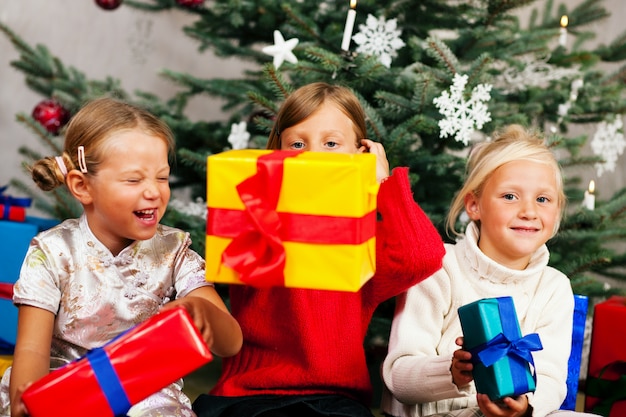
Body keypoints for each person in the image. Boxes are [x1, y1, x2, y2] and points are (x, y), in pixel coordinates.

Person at [192, 81, 446, 417]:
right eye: (298, 143)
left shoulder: (364, 239)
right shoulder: (256, 217)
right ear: (277, 153)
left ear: (361, 153)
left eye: (331, 143)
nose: (312, 155)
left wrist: (384, 183)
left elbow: (420, 257)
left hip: (334, 399)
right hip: (249, 393)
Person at [0, 97, 243, 417]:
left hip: (147, 394)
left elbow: (231, 344)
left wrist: (202, 311)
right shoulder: (52, 251)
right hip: (65, 386)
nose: (154, 192)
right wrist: (30, 399)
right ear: (82, 187)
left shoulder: (174, 251)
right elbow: (32, 349)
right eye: (134, 179)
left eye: (161, 177)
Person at [380, 125, 599, 417]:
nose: (529, 212)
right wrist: (452, 372)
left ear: (557, 213)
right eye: (510, 196)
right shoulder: (440, 266)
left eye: (543, 199)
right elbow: (398, 376)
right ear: (474, 205)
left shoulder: (554, 287)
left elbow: (550, 377)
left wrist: (525, 407)